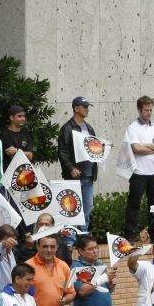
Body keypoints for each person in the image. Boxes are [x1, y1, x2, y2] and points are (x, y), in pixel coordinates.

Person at [123, 96, 154, 242]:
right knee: (134, 205)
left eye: (151, 110)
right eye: (146, 110)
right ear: (139, 109)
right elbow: (136, 148)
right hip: (139, 173)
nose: (149, 113)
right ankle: (130, 234)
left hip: (153, 173)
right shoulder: (133, 128)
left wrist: (146, 146)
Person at [56, 96, 97, 231]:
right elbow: (63, 152)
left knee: (87, 208)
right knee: (72, 208)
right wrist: (71, 168)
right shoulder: (67, 129)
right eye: (84, 107)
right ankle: (70, 239)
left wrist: (104, 147)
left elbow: (93, 147)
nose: (87, 109)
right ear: (76, 108)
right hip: (74, 176)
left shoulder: (89, 128)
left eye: (87, 107)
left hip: (89, 174)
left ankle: (83, 238)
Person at [1, 105, 34, 169]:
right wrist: (24, 153)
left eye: (24, 116)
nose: (23, 119)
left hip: (24, 174)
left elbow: (30, 156)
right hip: (9, 173)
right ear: (11, 117)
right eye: (19, 116)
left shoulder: (26, 135)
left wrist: (16, 151)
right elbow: (13, 156)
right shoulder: (5, 134)